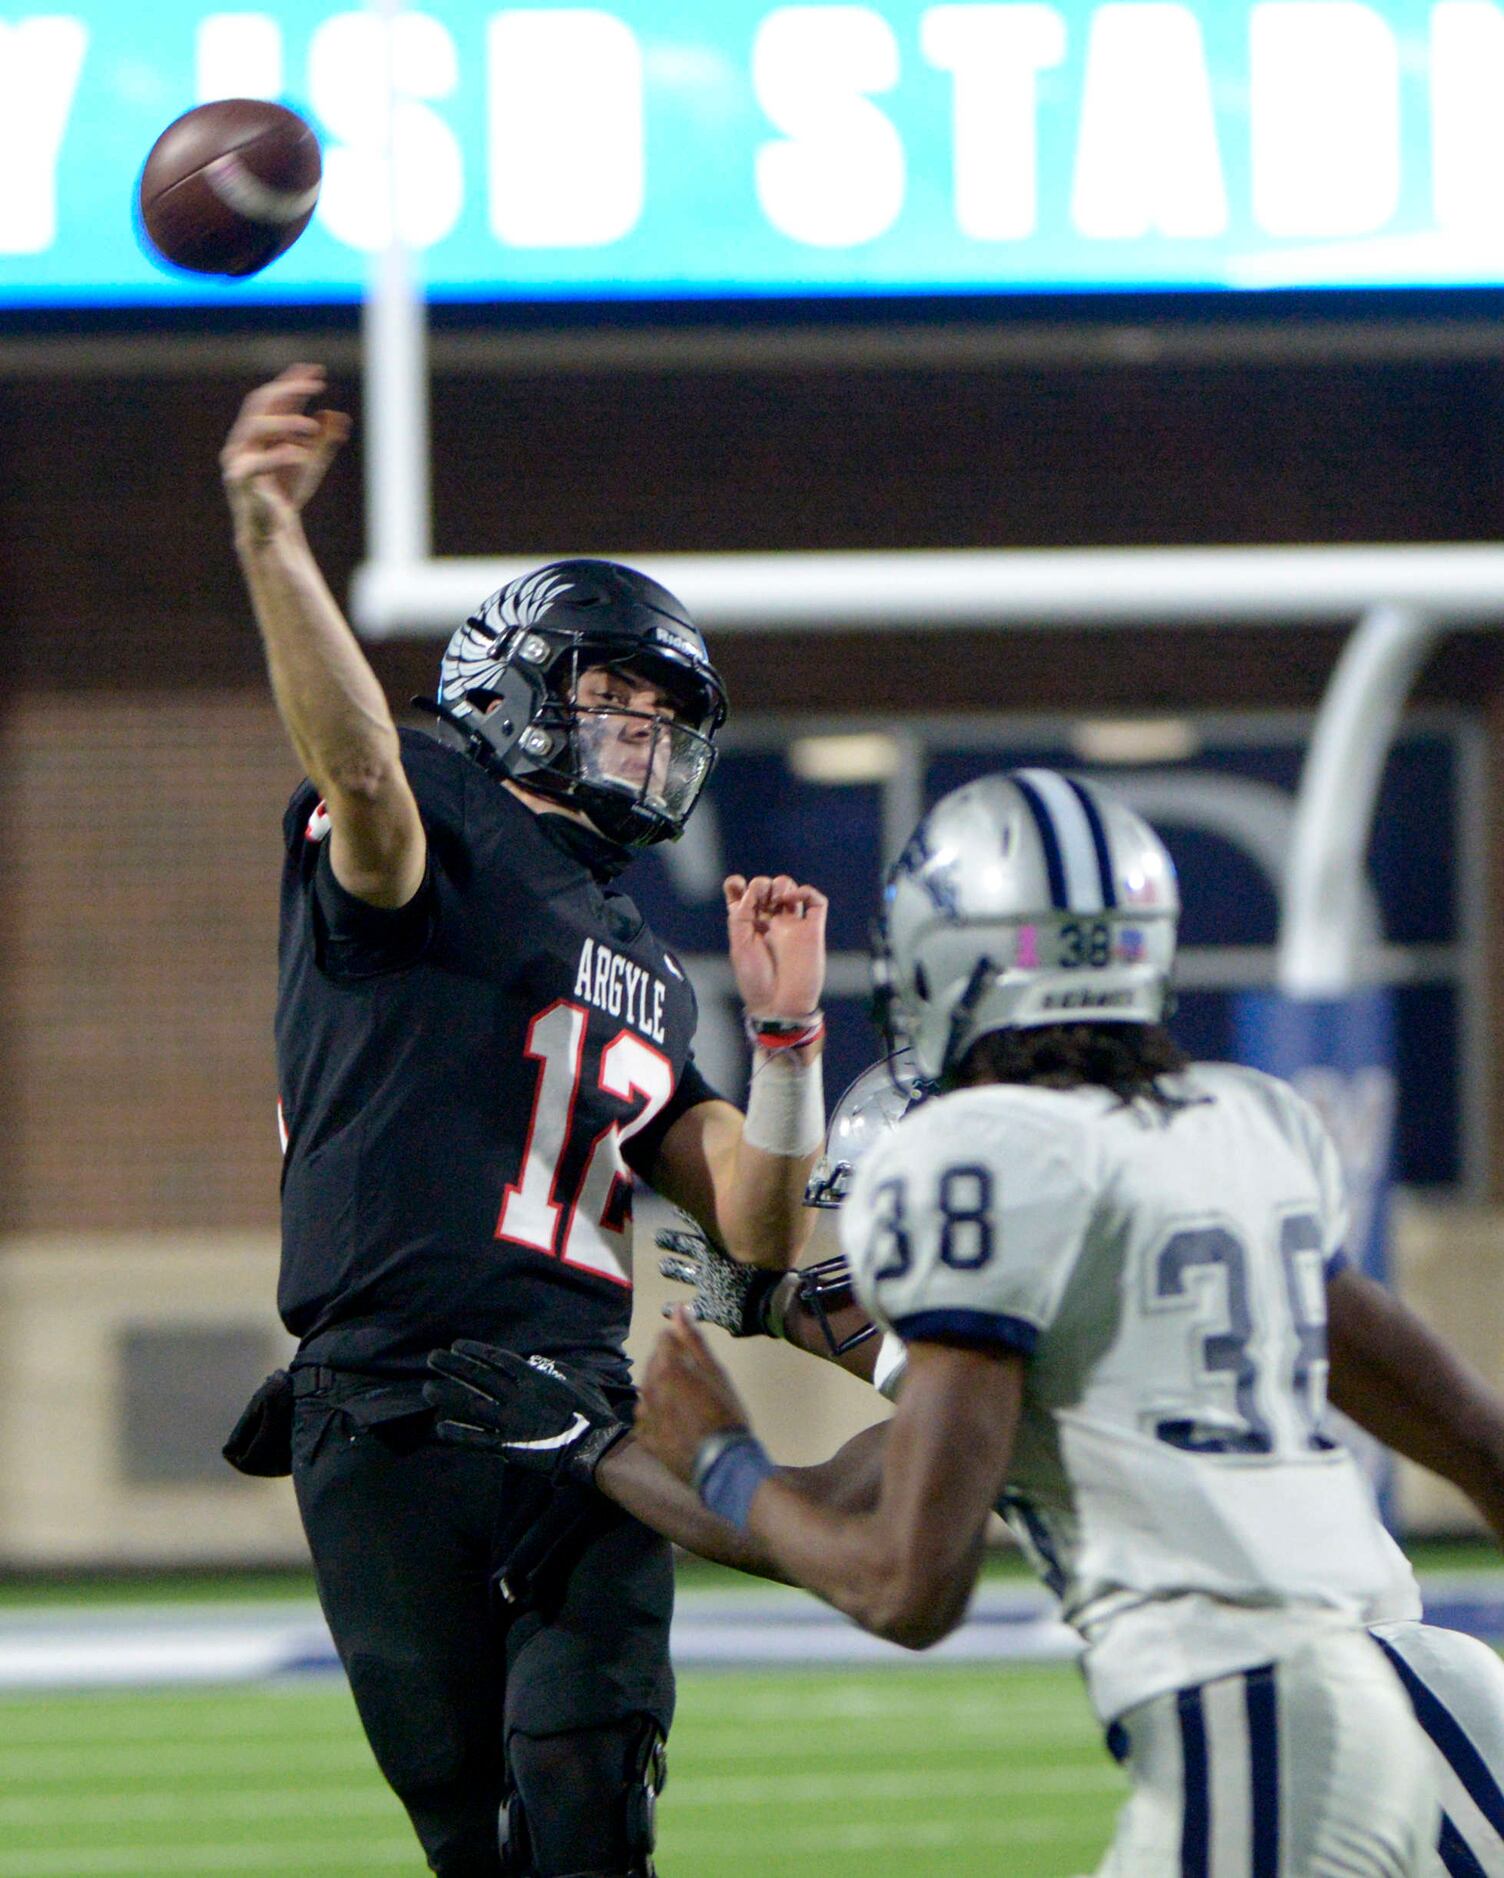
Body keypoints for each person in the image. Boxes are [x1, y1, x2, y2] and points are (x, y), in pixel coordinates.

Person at [219, 362, 830, 1878]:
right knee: (475, 1841)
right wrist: (269, 538)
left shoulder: (642, 958)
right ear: (512, 682)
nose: (638, 731)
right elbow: (356, 768)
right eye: (609, 693)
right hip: (390, 1408)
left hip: (579, 1410)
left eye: (662, 711)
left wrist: (789, 1035)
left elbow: (751, 1221)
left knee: (590, 1807)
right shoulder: (427, 802)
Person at [632, 770, 1457, 1872]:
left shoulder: (973, 1159)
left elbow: (900, 1577)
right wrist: (631, 1429)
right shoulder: (1235, 1121)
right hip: (1432, 1695)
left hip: (1259, 1712)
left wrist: (718, 1455)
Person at [433, 1046, 1504, 1871]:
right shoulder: (1115, 1264)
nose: (867, 1258)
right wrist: (770, 1305)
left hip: (1342, 1727)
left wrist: (600, 1446)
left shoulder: (1027, 1341)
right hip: (1356, 1703)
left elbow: (834, 1524)